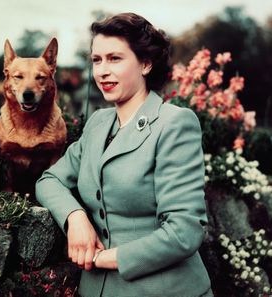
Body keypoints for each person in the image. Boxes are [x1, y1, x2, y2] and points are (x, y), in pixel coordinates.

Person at [36, 12, 212, 297]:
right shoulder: (97, 124)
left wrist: (103, 258)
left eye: (115, 58)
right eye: (96, 60)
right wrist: (75, 217)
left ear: (145, 63)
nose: (102, 70)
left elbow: (185, 231)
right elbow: (48, 180)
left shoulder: (175, 123)